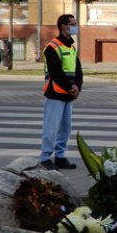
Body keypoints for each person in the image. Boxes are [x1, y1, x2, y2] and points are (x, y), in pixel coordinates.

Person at [40, 14, 83, 171]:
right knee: (51, 127)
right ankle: (45, 158)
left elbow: (78, 70)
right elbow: (55, 72)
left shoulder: (71, 47)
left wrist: (78, 86)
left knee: (65, 128)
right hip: (55, 93)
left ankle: (60, 157)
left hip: (68, 94)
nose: (75, 26)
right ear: (64, 26)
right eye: (73, 24)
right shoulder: (52, 47)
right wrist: (70, 87)